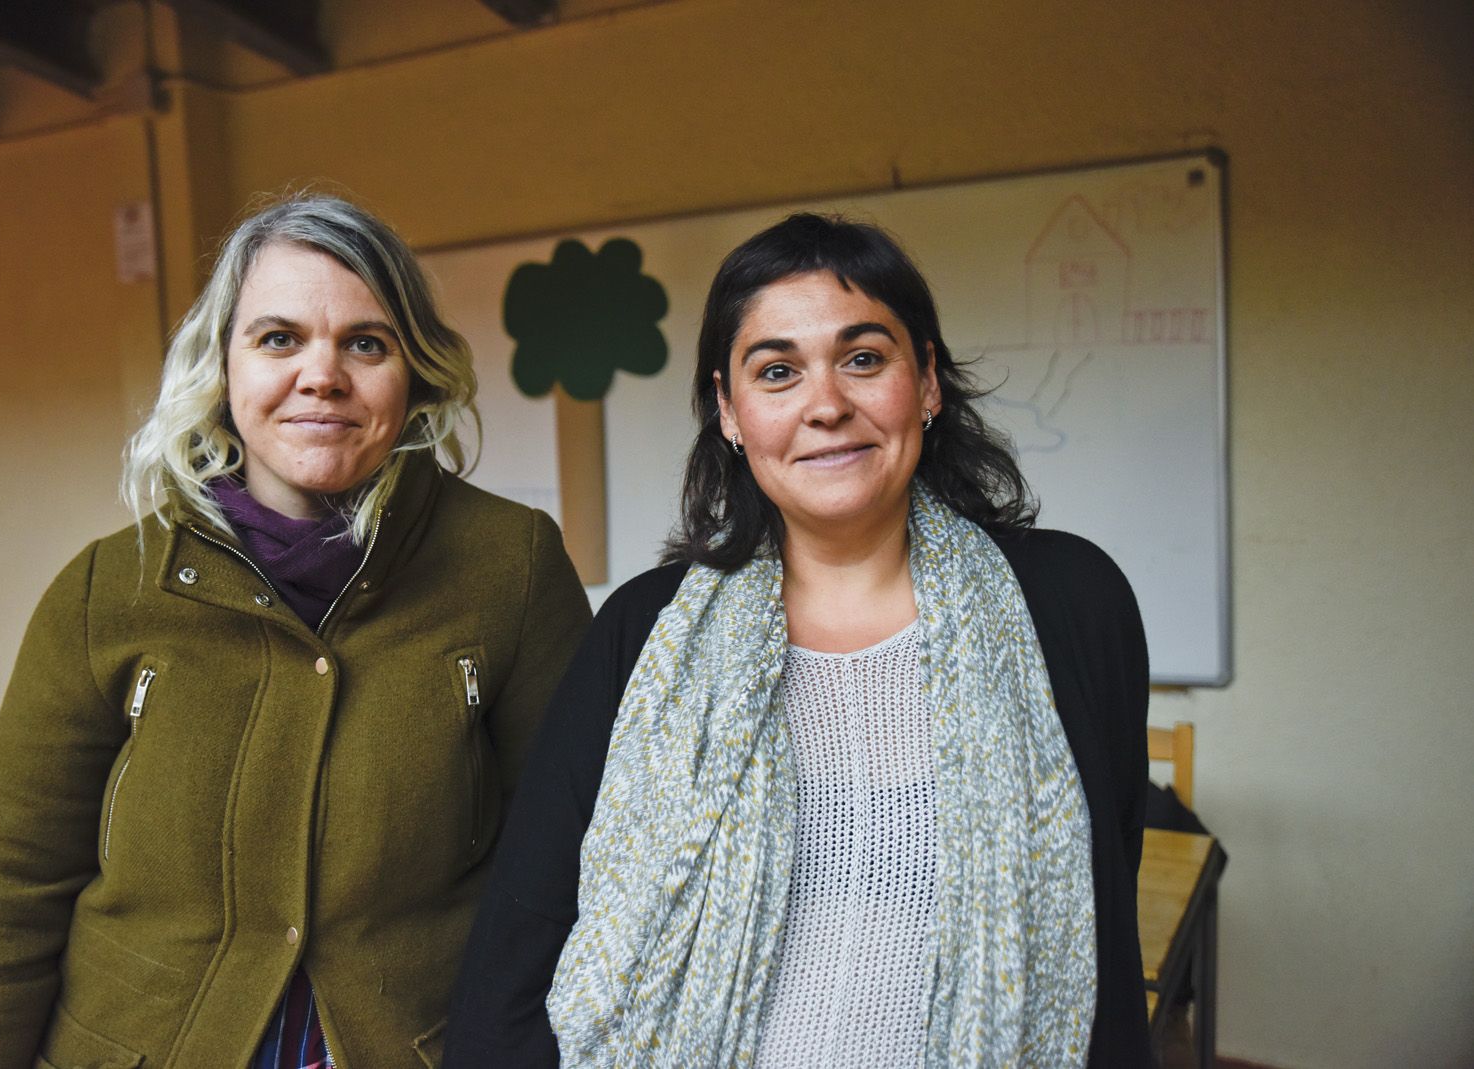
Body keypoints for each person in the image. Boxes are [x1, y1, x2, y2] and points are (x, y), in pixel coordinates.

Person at [445, 213, 1152, 1067]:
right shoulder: (641, 634)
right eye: (777, 371)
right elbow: (519, 943)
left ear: (926, 381)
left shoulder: (1072, 606)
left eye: (864, 358)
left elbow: (1095, 907)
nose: (825, 405)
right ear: (730, 410)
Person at [0, 195, 591, 1068]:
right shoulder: (106, 591)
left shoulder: (510, 566)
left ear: (413, 372)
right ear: (222, 366)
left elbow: (567, 867)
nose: (322, 375)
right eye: (278, 339)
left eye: (366, 342)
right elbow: (8, 890)